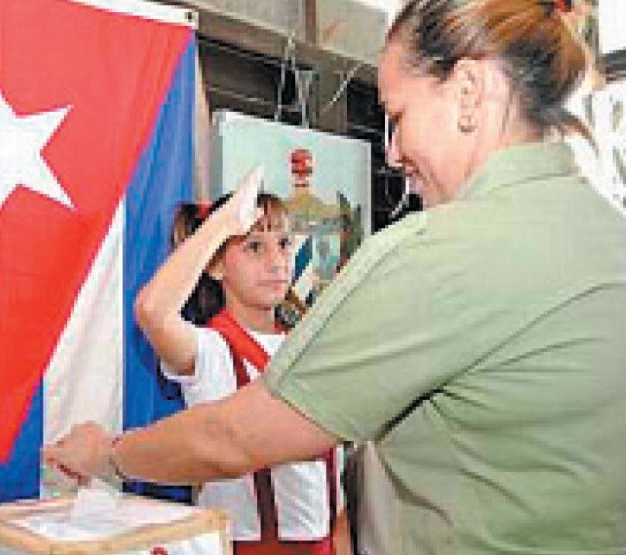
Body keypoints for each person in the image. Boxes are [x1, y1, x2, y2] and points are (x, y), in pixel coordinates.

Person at [43, 0, 626, 554]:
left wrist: (111, 453)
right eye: (254, 246)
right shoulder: (606, 234)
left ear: (469, 91)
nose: (393, 153)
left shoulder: (436, 255)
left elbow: (234, 439)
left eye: (397, 117)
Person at [134, 171, 350, 555]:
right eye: (254, 247)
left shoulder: (308, 349)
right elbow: (153, 311)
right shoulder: (209, 350)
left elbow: (333, 487)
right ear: (217, 268)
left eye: (283, 244)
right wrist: (221, 225)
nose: (276, 261)